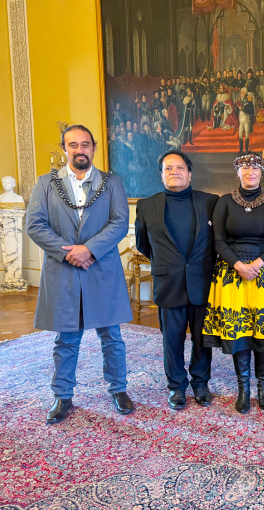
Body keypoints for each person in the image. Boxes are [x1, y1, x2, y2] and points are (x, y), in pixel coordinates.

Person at [26, 125, 133, 424]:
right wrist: (69, 252)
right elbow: (35, 225)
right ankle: (62, 396)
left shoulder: (112, 183)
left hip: (101, 269)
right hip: (64, 270)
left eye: (85, 144)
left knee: (112, 337)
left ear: (93, 148)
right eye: (73, 145)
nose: (79, 150)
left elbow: (119, 223)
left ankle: (119, 389)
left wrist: (88, 249)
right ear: (64, 149)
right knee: (66, 338)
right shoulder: (46, 183)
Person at [202, 152, 264, 413]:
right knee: (240, 334)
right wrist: (239, 265)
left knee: (263, 332)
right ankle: (244, 389)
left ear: (262, 172)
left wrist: (257, 264)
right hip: (233, 274)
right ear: (237, 172)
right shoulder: (224, 202)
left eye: (255, 168)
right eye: (245, 168)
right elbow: (218, 241)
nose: (250, 172)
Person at [135, 150, 218, 410]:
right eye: (168, 168)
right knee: (171, 340)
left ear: (190, 173)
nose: (175, 172)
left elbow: (218, 243)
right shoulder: (147, 205)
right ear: (161, 176)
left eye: (180, 167)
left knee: (203, 339)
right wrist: (168, 265)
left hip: (202, 282)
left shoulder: (211, 202)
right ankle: (176, 387)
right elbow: (142, 244)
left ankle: (201, 383)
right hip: (168, 283)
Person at [236, 88, 255, 153]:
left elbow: (251, 110)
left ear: (245, 93)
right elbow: (237, 109)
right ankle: (241, 150)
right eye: (241, 92)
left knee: (247, 134)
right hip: (240, 118)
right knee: (240, 134)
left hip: (246, 118)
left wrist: (243, 108)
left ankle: (246, 150)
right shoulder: (239, 100)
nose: (241, 94)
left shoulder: (248, 99)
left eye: (243, 92)